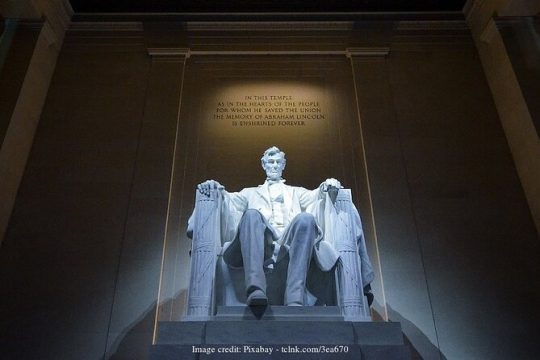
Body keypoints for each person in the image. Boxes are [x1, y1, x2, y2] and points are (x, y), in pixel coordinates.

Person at [195, 146, 373, 307]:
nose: (274, 165)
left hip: (290, 240)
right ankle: (255, 289)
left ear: (283, 165)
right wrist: (214, 187)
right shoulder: (249, 193)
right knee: (250, 215)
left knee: (306, 219)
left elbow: (317, 196)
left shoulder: (296, 192)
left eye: (278, 162)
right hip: (261, 240)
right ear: (263, 165)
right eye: (270, 162)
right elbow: (228, 199)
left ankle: (294, 297)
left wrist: (328, 185)